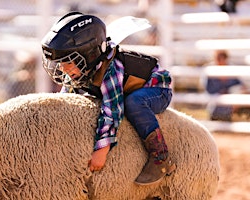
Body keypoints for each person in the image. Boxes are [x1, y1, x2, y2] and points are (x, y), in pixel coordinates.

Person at [41, 12, 176, 185]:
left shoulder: (110, 70)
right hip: (131, 88)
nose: (62, 68)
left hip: (157, 88)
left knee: (133, 103)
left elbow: (113, 109)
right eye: (60, 63)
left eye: (68, 62)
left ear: (89, 55)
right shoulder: (82, 69)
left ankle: (161, 158)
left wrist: (102, 150)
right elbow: (66, 98)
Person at [206, 50, 245, 121]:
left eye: (222, 59)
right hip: (215, 105)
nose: (219, 61)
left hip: (229, 106)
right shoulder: (210, 70)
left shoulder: (231, 69)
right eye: (218, 59)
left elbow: (240, 85)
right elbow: (208, 89)